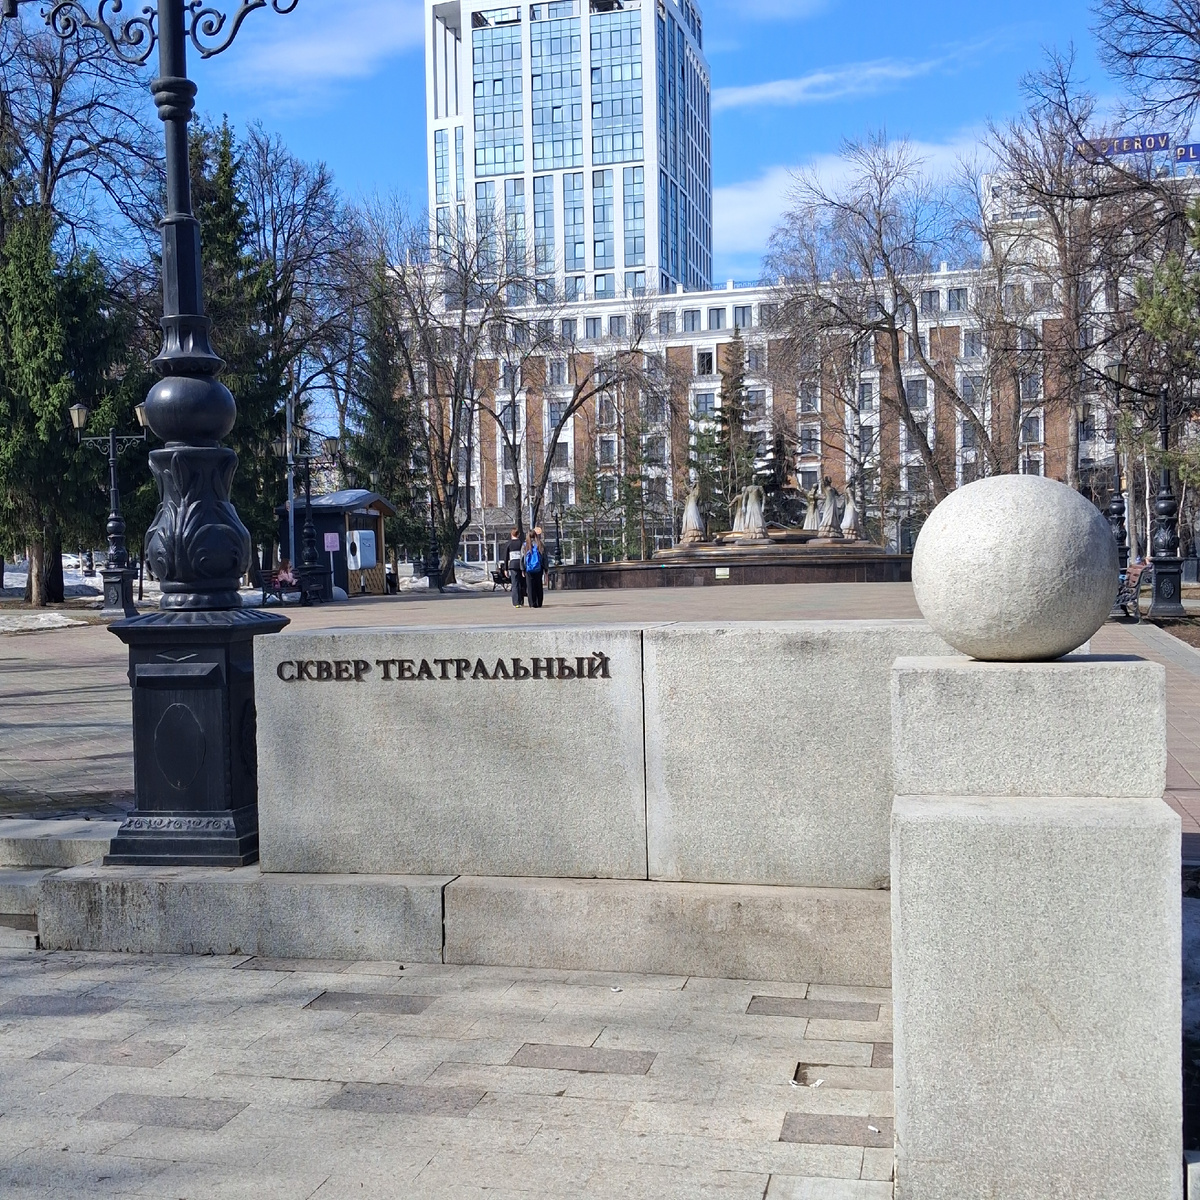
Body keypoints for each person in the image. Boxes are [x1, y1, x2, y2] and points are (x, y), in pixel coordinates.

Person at [524, 527, 547, 609]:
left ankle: (532, 603)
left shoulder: (525, 545)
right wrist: (546, 568)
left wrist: (522, 569)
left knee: (530, 586)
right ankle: (539, 602)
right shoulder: (540, 544)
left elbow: (522, 558)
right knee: (538, 585)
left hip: (529, 569)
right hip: (538, 568)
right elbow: (544, 557)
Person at [503, 527, 525, 607]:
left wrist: (505, 568)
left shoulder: (509, 544)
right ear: (518, 534)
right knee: (521, 583)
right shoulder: (521, 543)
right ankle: (521, 601)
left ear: (511, 534)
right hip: (521, 565)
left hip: (512, 565)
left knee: (515, 584)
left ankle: (516, 602)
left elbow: (506, 557)